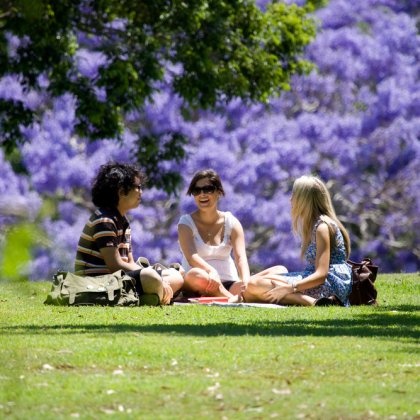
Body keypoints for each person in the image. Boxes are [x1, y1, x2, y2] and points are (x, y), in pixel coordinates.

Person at [75, 162, 184, 305]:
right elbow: (115, 265)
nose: (141, 192)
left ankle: (152, 296)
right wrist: (153, 276)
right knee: (152, 277)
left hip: (118, 281)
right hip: (98, 285)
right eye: (137, 187)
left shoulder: (122, 221)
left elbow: (129, 262)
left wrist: (156, 276)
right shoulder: (104, 220)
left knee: (177, 275)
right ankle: (153, 295)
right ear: (121, 191)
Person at [247, 175, 352, 306]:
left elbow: (321, 275)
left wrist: (289, 288)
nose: (291, 199)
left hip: (331, 284)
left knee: (252, 286)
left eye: (294, 195)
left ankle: (313, 302)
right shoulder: (315, 224)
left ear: (304, 200)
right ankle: (310, 300)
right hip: (322, 281)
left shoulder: (322, 227)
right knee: (251, 286)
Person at [177, 169, 252, 301]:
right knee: (197, 275)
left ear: (219, 192)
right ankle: (231, 298)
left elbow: (241, 258)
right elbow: (191, 258)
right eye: (197, 191)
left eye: (208, 189)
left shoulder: (231, 222)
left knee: (277, 270)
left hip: (229, 282)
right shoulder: (185, 223)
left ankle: (232, 296)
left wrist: (246, 282)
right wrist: (212, 272)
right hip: (199, 282)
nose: (202, 194)